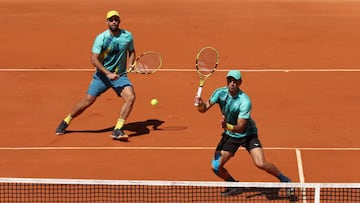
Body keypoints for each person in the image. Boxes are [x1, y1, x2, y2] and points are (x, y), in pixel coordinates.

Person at [194, 70, 293, 196]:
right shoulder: (220, 93)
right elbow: (203, 109)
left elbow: (241, 127)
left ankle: (285, 180)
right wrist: (200, 104)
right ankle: (233, 185)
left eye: (235, 81)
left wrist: (226, 126)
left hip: (248, 134)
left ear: (240, 82)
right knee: (215, 166)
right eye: (230, 80)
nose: (232, 83)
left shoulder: (244, 101)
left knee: (260, 163)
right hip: (230, 136)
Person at [55, 10, 136, 141]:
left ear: (119, 21)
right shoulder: (101, 38)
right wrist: (108, 74)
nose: (114, 22)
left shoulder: (127, 36)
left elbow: (131, 51)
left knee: (131, 97)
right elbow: (94, 59)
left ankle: (117, 129)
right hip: (102, 76)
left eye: (116, 19)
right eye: (111, 20)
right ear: (107, 22)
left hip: (120, 76)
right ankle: (66, 120)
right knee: (87, 102)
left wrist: (131, 64)